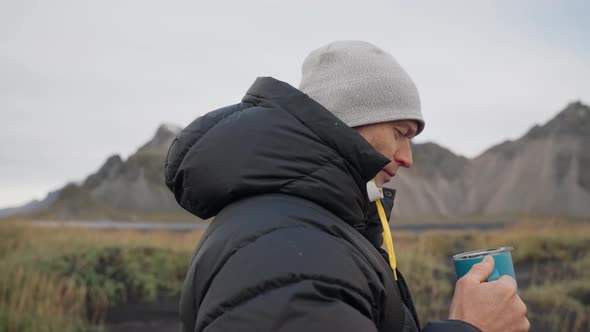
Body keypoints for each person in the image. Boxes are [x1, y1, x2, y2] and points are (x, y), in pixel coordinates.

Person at [165, 40, 529, 332]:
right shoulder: (290, 248)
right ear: (347, 120)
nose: (407, 157)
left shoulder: (300, 226)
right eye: (399, 134)